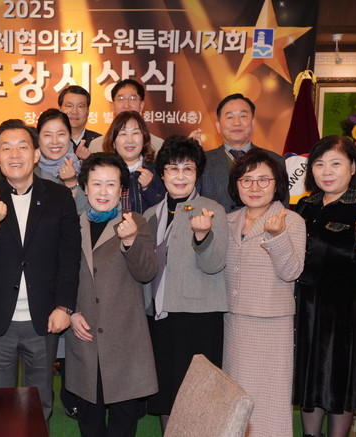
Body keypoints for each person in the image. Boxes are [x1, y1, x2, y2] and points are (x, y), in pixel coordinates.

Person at [0, 119, 81, 423]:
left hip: (43, 319)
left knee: (39, 403)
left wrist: (64, 306)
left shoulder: (59, 197)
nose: (14, 155)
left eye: (22, 147)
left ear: (36, 154)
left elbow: (69, 257)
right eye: (6, 148)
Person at [293, 135, 356, 437]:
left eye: (336, 163)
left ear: (352, 167)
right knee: (310, 381)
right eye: (319, 164)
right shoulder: (304, 206)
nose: (327, 171)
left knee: (339, 381)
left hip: (344, 313)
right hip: (305, 309)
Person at [66, 153, 158, 437]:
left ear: (121, 190)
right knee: (90, 421)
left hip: (125, 341)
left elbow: (147, 272)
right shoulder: (71, 224)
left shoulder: (135, 222)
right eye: (96, 183)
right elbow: (60, 276)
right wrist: (70, 313)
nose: (103, 191)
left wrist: (130, 241)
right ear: (85, 187)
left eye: (111, 184)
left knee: (123, 422)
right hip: (85, 337)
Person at [142, 135, 228, 432]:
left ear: (197, 173)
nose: (180, 176)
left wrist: (202, 237)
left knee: (197, 394)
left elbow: (215, 265)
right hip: (160, 316)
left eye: (188, 169)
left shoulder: (211, 209)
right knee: (166, 390)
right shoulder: (151, 214)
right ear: (162, 173)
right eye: (173, 168)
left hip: (198, 318)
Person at [223, 149, 306, 436]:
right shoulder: (228, 220)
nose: (254, 187)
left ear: (277, 183)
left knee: (270, 401)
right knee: (235, 399)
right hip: (233, 322)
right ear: (236, 184)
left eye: (263, 180)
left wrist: (278, 236)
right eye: (246, 180)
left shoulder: (291, 221)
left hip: (271, 324)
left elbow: (291, 271)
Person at [198, 93, 285, 213]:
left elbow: (282, 209)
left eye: (243, 116)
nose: (237, 122)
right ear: (218, 126)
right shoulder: (202, 161)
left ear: (253, 122)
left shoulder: (275, 160)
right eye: (230, 117)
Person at [102, 110, 165, 214]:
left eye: (135, 133)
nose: (130, 140)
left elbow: (164, 211)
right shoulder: (103, 172)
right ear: (113, 142)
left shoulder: (157, 170)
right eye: (123, 134)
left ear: (144, 139)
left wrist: (148, 187)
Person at [88, 79, 164, 154]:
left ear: (141, 105)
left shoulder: (158, 146)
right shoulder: (97, 146)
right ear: (112, 106)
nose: (126, 105)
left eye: (132, 98)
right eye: (121, 99)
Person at [34, 108, 87, 214]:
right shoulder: (30, 173)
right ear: (38, 138)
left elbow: (85, 212)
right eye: (47, 135)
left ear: (70, 136)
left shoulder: (85, 169)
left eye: (61, 134)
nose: (54, 141)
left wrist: (71, 182)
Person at [58, 85, 102, 160]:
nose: (74, 112)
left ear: (88, 111)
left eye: (80, 106)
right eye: (69, 106)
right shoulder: (50, 140)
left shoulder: (100, 142)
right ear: (60, 109)